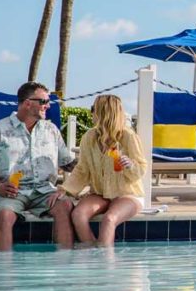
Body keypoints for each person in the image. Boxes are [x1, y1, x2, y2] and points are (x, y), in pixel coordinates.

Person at [0, 82, 76, 250]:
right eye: (44, 101)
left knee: (65, 206)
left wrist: (96, 165)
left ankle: (64, 261)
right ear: (28, 103)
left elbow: (67, 163)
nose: (48, 105)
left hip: (44, 191)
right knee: (5, 216)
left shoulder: (51, 130)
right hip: (10, 191)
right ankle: (2, 265)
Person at [55, 94, 147, 246]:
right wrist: (65, 189)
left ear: (104, 113)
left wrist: (130, 165)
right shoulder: (88, 137)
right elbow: (82, 169)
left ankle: (105, 259)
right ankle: (92, 254)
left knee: (109, 219)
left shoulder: (128, 137)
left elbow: (141, 168)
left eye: (93, 109)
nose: (91, 112)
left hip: (127, 194)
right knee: (78, 215)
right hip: (100, 193)